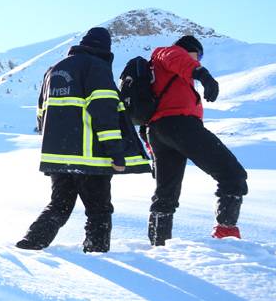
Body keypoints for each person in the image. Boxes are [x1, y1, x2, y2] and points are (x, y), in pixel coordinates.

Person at [17, 27, 151, 253]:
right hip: (91, 158)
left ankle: (31, 244)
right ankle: (96, 252)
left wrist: (56, 151)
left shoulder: (53, 71)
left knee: (59, 205)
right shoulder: (96, 68)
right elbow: (105, 114)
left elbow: (41, 116)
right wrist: (117, 154)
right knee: (99, 209)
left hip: (58, 157)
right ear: (105, 49)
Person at [146, 35, 247, 245]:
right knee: (233, 175)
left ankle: (159, 244)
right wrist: (203, 74)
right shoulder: (170, 53)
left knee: (166, 192)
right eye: (199, 55)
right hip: (180, 126)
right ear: (189, 50)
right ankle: (225, 233)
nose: (199, 60)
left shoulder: (164, 72)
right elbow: (176, 58)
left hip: (159, 131)